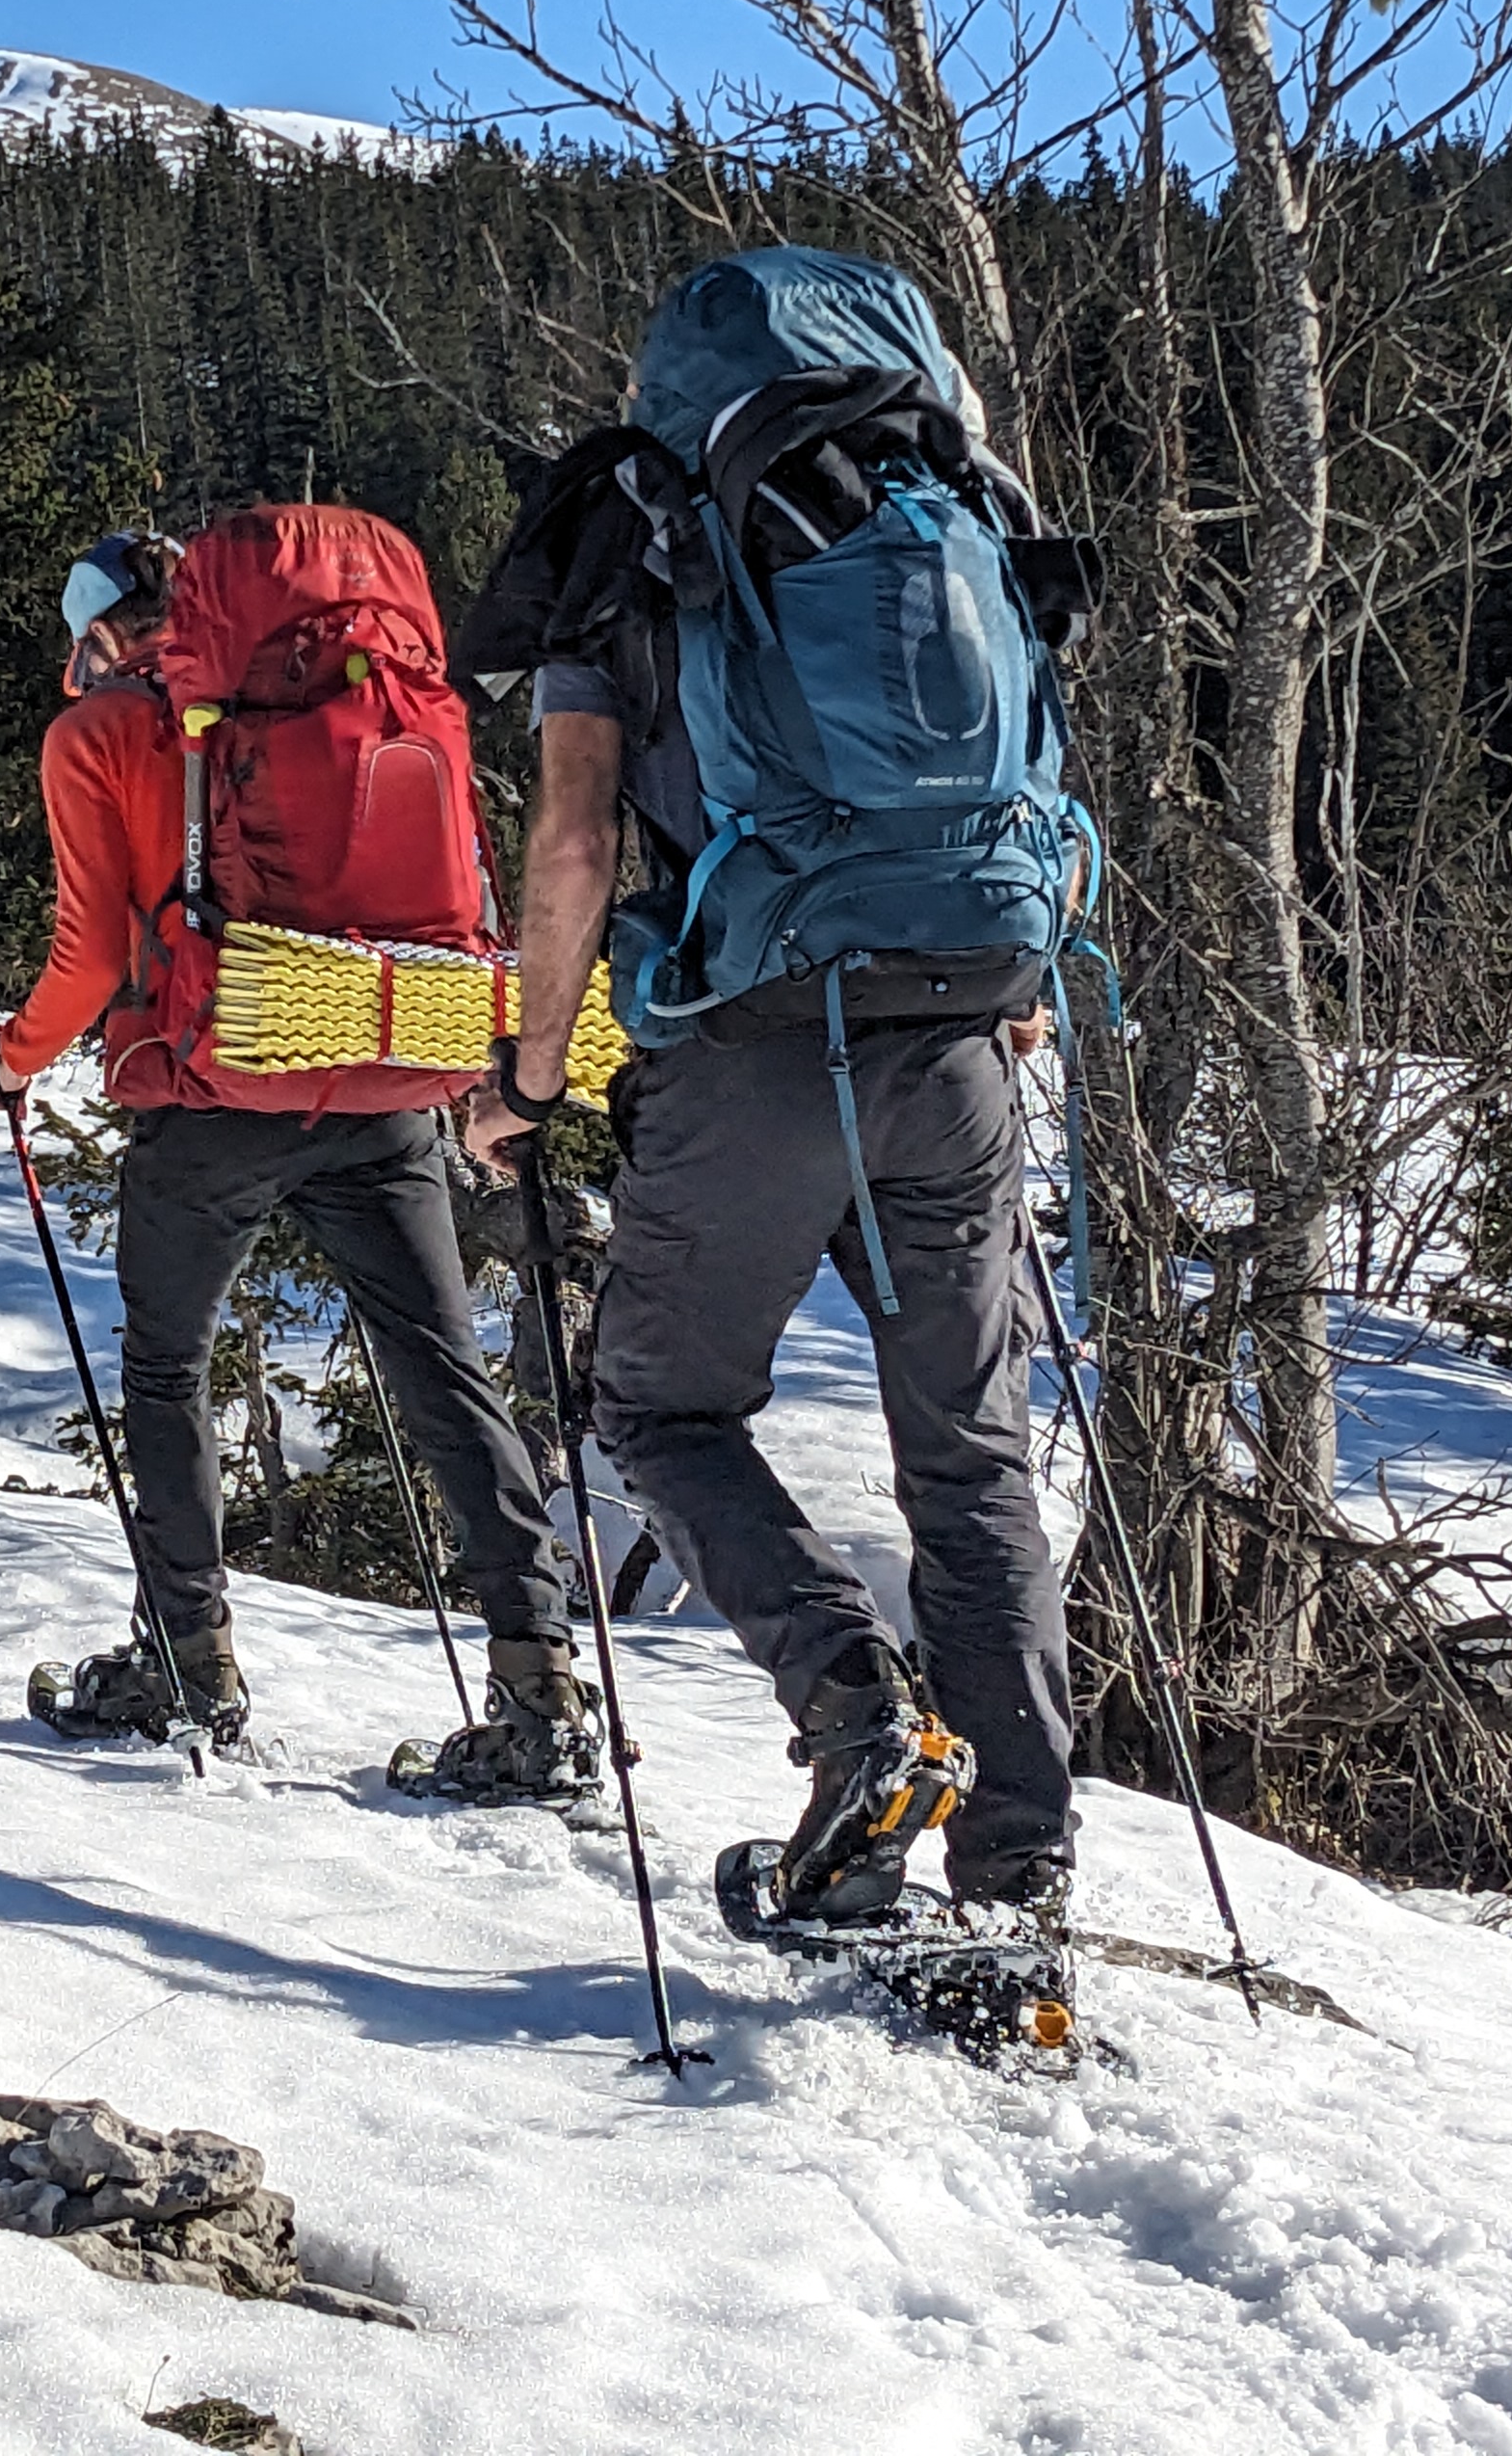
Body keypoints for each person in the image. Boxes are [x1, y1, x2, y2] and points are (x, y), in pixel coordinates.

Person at [459, 256, 1081, 1928]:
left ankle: (858, 1711)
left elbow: (576, 840)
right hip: (962, 1036)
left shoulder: (643, 531)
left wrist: (526, 1072)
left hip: (753, 1047)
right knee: (970, 1462)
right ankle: (1021, 1872)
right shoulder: (961, 505)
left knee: (657, 1408)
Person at [0, 526, 589, 1788]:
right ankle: (541, 1693)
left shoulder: (95, 733)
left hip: (216, 1092)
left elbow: (91, 959)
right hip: (382, 1073)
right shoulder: (339, 694)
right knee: (443, 1376)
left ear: (97, 635)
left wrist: (16, 1057)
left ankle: (190, 1670)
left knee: (167, 1370)